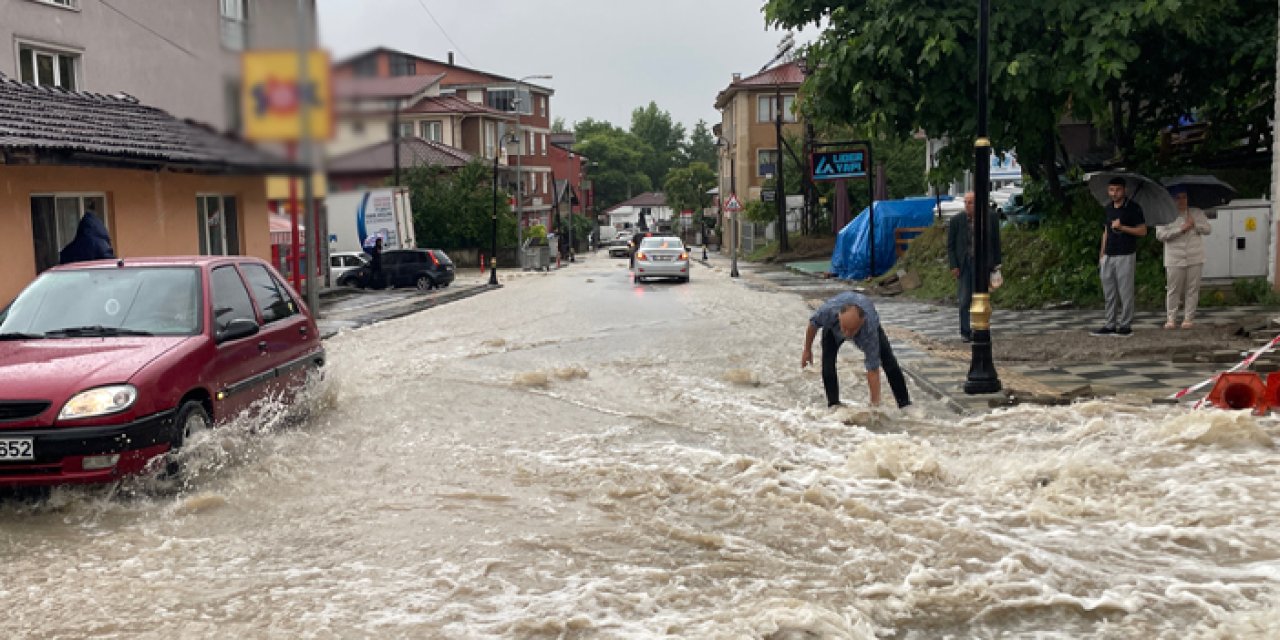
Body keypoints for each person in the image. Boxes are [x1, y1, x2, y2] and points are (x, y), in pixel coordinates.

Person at [801, 291, 911, 409]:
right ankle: (833, 405)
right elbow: (813, 325)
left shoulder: (869, 329)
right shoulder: (828, 312)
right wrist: (807, 350)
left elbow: (873, 369)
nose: (847, 335)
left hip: (864, 329)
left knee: (888, 360)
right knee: (827, 363)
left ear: (862, 322)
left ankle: (904, 404)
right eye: (845, 329)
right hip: (833, 329)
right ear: (839, 316)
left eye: (851, 330)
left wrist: (875, 407)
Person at [1092, 177, 1147, 337]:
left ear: (1124, 190)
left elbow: (1142, 231)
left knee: (1125, 291)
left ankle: (1125, 325)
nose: (1114, 193)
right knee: (1109, 291)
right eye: (1111, 190)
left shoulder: (1134, 208)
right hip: (1109, 253)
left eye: (1117, 190)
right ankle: (1110, 324)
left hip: (1125, 253)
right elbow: (1106, 231)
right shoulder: (1109, 208)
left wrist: (1122, 227)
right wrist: (1102, 252)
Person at [946, 191, 1002, 342]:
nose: (967, 205)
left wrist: (997, 263)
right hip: (965, 263)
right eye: (966, 202)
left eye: (971, 202)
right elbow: (950, 246)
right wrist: (954, 265)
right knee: (964, 298)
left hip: (984, 263)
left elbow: (996, 242)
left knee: (983, 297)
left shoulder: (990, 218)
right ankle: (965, 331)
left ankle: (983, 328)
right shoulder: (957, 220)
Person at [1155, 185, 1211, 329]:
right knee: (1173, 289)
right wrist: (1181, 229)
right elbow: (1160, 235)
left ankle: (1188, 318)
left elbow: (1208, 229)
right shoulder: (1165, 214)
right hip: (1174, 257)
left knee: (1192, 288)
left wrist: (1195, 224)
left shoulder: (1196, 212)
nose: (1181, 200)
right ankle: (1171, 318)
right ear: (1172, 199)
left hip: (1195, 256)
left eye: (1184, 197)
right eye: (1177, 198)